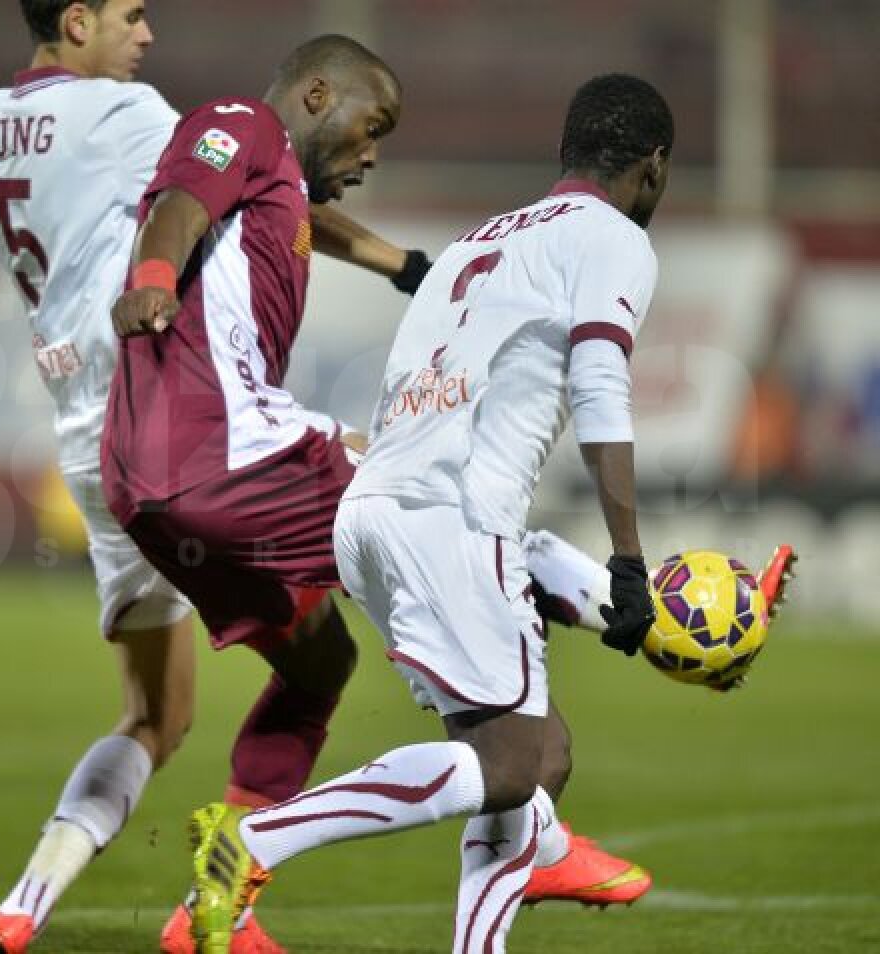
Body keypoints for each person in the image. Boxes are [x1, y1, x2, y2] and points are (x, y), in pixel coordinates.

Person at [0, 7, 434, 954]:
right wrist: (397, 261)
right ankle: (516, 781)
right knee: (405, 504)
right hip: (173, 410)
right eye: (129, 14)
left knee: (156, 715)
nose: (149, 33)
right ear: (75, 19)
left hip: (94, 452)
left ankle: (18, 913)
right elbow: (261, 184)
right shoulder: (128, 117)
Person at [181, 73, 676, 954]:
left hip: (375, 507)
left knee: (530, 758)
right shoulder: (613, 240)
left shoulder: (472, 241)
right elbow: (601, 386)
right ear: (653, 166)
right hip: (453, 515)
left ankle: (516, 891)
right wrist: (629, 561)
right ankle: (253, 839)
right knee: (511, 764)